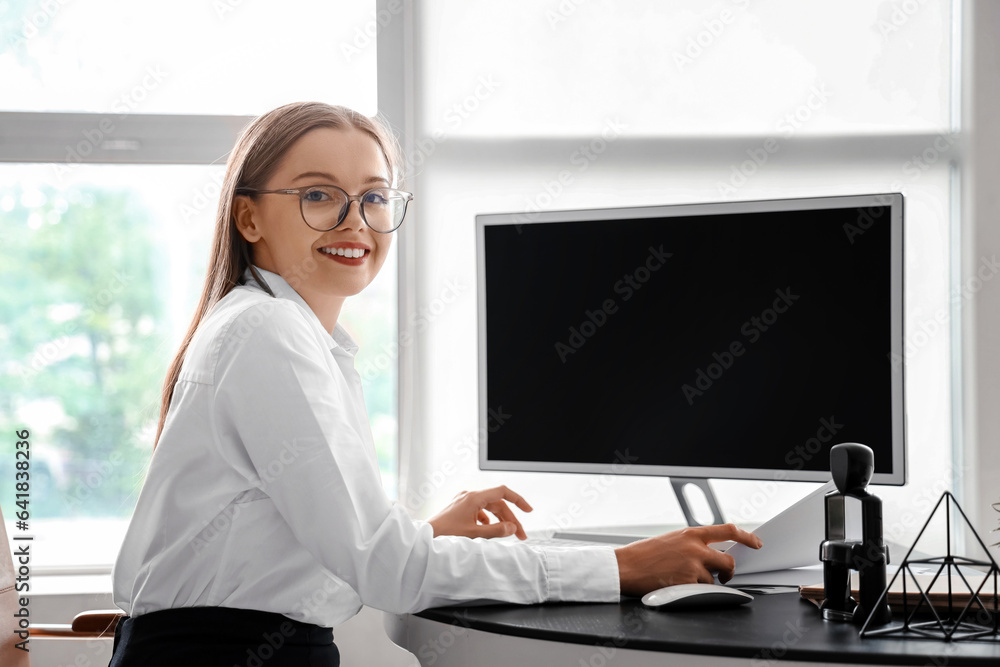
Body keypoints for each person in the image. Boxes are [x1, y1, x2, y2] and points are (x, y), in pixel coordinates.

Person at [108, 101, 762, 667]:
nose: (354, 221)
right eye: (317, 194)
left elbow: (321, 550)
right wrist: (618, 567)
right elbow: (388, 569)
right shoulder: (267, 333)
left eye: (373, 196)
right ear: (249, 219)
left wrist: (420, 533)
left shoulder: (287, 332)